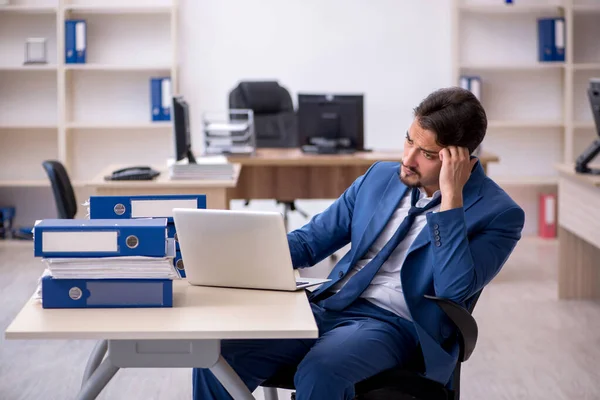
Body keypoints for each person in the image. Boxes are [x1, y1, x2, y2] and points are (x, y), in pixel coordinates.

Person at [193, 87, 525, 400]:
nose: (407, 160)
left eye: (426, 154)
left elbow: (453, 289)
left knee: (319, 372)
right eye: (408, 141)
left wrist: (451, 200)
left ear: (460, 159)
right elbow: (311, 241)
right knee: (216, 357)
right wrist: (226, 257)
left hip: (394, 324)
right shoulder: (379, 177)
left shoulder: (498, 214)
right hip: (330, 304)